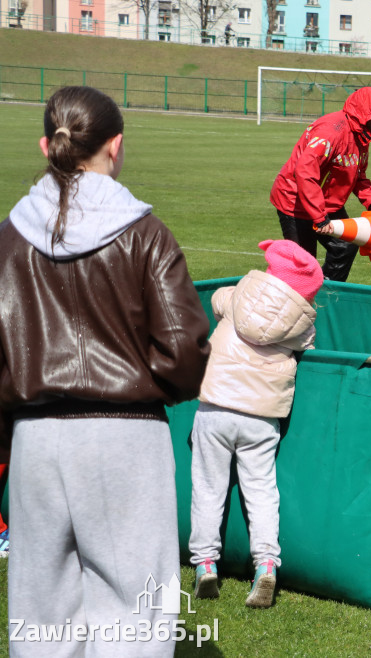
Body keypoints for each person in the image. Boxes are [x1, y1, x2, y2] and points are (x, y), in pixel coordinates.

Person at [0, 85, 211, 655]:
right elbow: (184, 352)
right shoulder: (145, 235)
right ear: (115, 147)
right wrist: (148, 387)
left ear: (47, 144)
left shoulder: (7, 240)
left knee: (40, 614)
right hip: (125, 439)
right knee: (136, 616)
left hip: (35, 442)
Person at [190, 239, 323, 610]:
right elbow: (307, 344)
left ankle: (204, 564)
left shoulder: (235, 298)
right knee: (262, 491)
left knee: (208, 487)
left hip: (216, 406)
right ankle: (266, 564)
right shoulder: (304, 326)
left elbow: (217, 299)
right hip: (262, 417)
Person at [270, 86, 371, 282]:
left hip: (326, 203)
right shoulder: (331, 131)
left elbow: (358, 174)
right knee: (304, 263)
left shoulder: (361, 135)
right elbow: (304, 171)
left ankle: (326, 293)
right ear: (363, 114)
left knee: (345, 246)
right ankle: (299, 297)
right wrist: (319, 217)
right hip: (295, 201)